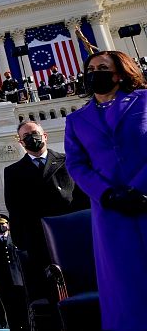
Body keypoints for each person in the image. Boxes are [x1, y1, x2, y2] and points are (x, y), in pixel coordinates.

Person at [64, 50, 147, 330]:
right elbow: (77, 165)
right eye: (90, 69)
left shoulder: (144, 100)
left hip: (145, 197)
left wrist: (137, 188)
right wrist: (108, 194)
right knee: (124, 283)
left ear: (119, 73)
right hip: (111, 211)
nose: (94, 73)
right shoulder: (76, 121)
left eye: (102, 67)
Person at [3, 120, 90, 299]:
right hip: (39, 243)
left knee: (82, 289)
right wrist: (22, 243)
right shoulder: (13, 171)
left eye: (34, 132)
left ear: (45, 135)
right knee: (50, 294)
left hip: (72, 236)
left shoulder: (67, 161)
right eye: (25, 136)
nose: (31, 138)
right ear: (20, 142)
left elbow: (83, 199)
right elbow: (15, 209)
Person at [0, 216, 27, 331]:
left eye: (3, 224)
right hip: (2, 281)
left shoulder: (15, 238)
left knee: (23, 306)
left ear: (7, 225)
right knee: (9, 308)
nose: (0, 227)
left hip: (19, 279)